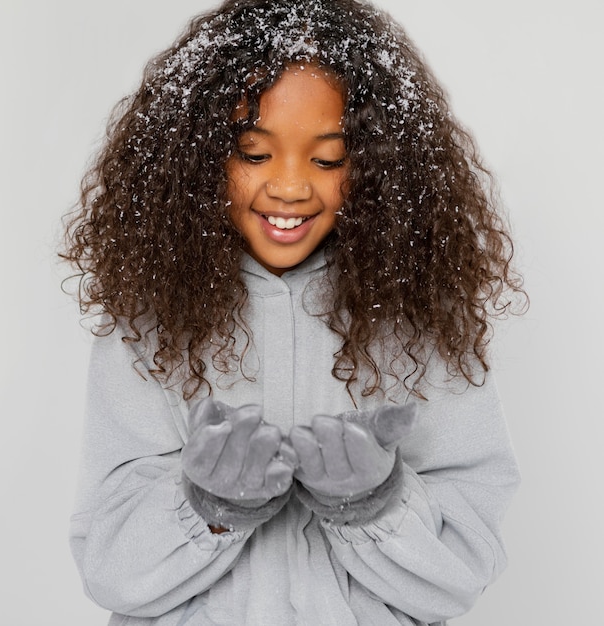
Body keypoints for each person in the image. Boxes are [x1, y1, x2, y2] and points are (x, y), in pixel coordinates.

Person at [61, 0, 526, 624]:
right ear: (197, 160)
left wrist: (375, 505)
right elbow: (112, 573)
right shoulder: (153, 323)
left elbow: (460, 572)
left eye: (327, 159)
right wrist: (206, 506)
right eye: (254, 154)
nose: (289, 185)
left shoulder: (423, 322)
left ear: (379, 166)